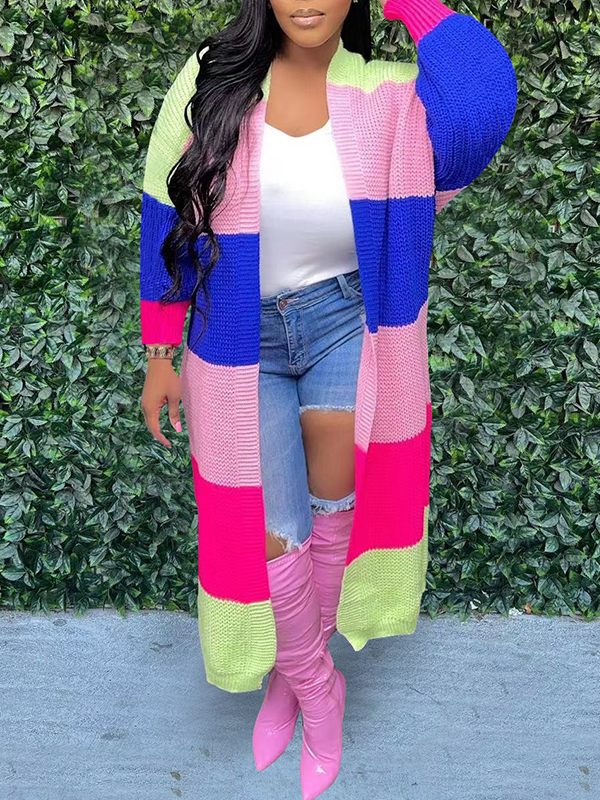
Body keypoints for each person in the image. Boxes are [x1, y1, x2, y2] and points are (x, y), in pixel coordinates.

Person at [139, 1, 518, 797]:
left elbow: (484, 99)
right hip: (236, 338)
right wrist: (160, 351)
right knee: (273, 535)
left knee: (335, 511)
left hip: (344, 324)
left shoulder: (390, 94)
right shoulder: (212, 79)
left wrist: (411, 4)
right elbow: (164, 209)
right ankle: (315, 686)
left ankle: (297, 678)